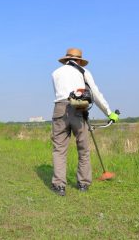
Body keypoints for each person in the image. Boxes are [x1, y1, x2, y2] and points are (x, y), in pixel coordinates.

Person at [51, 48, 119, 196]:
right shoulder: (84, 72)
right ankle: (83, 184)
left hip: (59, 110)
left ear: (66, 59)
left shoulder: (56, 73)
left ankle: (59, 186)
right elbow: (95, 94)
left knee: (59, 150)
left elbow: (59, 94)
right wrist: (109, 112)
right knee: (83, 149)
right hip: (78, 109)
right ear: (80, 61)